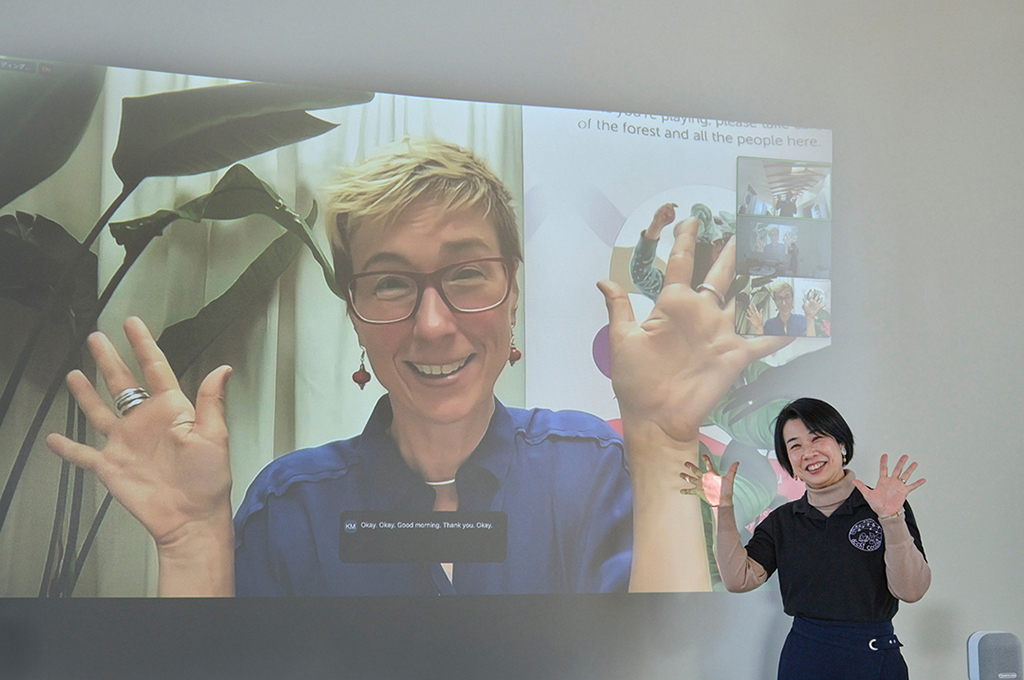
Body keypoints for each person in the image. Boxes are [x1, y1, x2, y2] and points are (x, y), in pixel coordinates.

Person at [45, 139, 788, 596]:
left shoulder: (592, 471)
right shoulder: (291, 509)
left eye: (466, 274)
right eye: (392, 283)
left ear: (513, 297)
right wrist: (192, 541)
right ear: (355, 314)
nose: (433, 325)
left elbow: (667, 660)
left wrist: (663, 444)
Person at [680, 398, 929, 680]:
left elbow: (912, 590)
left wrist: (890, 518)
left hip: (872, 657)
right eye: (795, 446)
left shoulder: (884, 505)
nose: (808, 452)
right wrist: (721, 507)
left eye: (817, 438)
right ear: (791, 465)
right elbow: (739, 580)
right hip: (805, 659)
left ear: (842, 446)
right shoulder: (782, 521)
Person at [745, 280, 822, 337]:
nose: (784, 303)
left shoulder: (801, 321)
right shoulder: (769, 324)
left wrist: (810, 319)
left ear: (792, 299)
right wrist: (759, 328)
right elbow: (761, 349)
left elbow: (809, 346)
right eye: (779, 298)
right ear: (775, 302)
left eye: (787, 297)